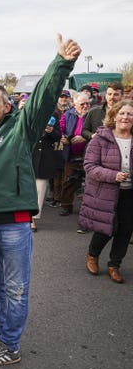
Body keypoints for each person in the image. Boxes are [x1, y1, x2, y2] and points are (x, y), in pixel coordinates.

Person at [0, 34, 81, 367]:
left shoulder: (22, 128)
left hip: (13, 224)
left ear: (7, 106)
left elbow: (44, 98)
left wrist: (61, 62)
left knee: (15, 288)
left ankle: (11, 345)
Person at [79, 100, 133, 284]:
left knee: (125, 230)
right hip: (106, 192)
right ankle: (92, 255)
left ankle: (114, 265)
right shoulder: (101, 139)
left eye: (130, 114)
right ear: (114, 115)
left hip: (129, 194)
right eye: (123, 113)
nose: (126, 117)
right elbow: (90, 166)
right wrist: (113, 175)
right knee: (107, 228)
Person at [59, 93, 91, 217]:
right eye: (82, 104)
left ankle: (88, 209)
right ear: (74, 104)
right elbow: (60, 128)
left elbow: (98, 130)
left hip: (89, 154)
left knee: (89, 184)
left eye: (87, 103)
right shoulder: (67, 114)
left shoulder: (92, 114)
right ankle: (66, 205)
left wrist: (84, 137)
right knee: (68, 180)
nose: (85, 106)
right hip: (71, 153)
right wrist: (63, 137)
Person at [31, 115, 62, 231]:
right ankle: (22, 215)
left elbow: (58, 136)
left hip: (44, 159)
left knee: (40, 189)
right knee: (26, 188)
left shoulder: (53, 115)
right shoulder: (29, 111)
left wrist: (51, 131)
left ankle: (32, 218)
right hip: (29, 155)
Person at [47, 90, 73, 208]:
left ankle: (64, 197)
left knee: (66, 173)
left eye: (66, 97)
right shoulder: (53, 111)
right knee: (55, 172)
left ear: (69, 98)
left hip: (68, 143)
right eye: (61, 97)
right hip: (54, 143)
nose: (63, 99)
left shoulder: (72, 110)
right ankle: (56, 197)